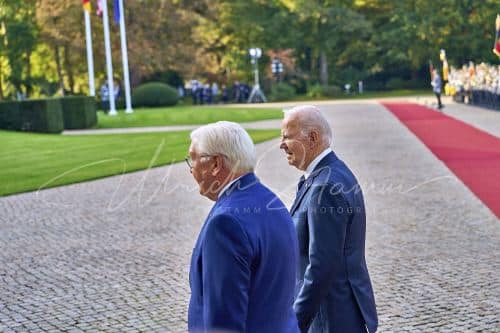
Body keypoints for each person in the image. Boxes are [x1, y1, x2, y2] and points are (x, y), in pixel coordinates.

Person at [187, 121, 299, 333]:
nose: (191, 169)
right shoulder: (273, 202)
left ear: (216, 164)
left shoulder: (225, 223)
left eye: (193, 158)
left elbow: (223, 322)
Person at [280, 105, 378, 333]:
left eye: (286, 136)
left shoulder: (324, 186)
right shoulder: (330, 172)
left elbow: (321, 267)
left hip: (330, 318)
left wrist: (294, 324)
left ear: (312, 138)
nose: (281, 144)